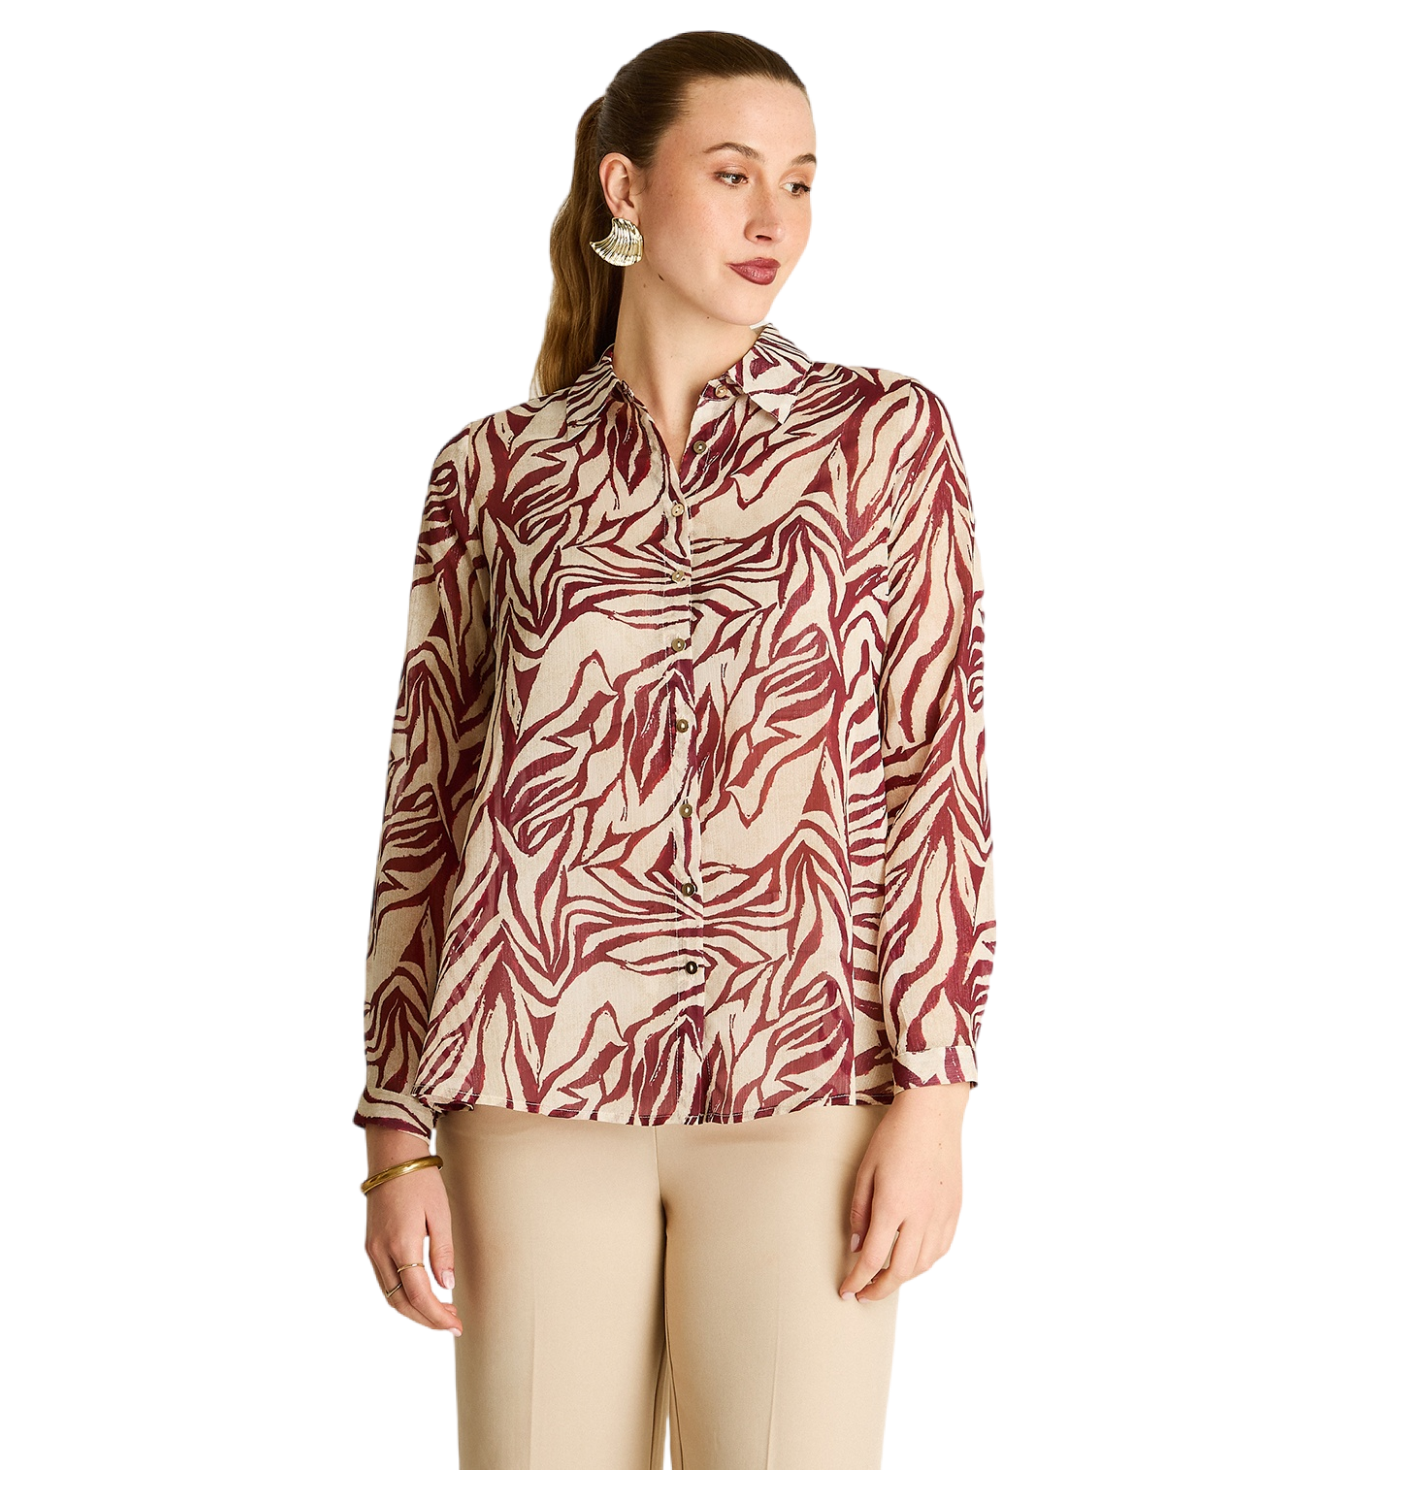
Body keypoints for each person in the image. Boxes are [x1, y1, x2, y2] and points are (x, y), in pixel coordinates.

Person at [352, 30, 996, 1470]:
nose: (777, 219)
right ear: (626, 189)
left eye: (802, 182)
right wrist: (394, 1139)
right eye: (733, 174)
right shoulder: (492, 472)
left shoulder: (884, 440)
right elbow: (426, 809)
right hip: (527, 1087)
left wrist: (936, 1101)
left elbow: (936, 776)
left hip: (807, 1084)